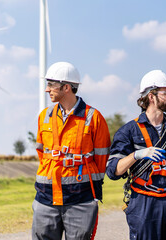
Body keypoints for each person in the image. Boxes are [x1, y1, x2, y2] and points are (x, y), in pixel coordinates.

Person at [106, 69, 166, 240]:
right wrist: (137, 155)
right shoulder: (128, 131)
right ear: (151, 96)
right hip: (144, 203)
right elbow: (113, 171)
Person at [32, 62, 111, 240]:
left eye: (51, 84)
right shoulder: (44, 116)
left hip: (81, 199)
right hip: (45, 198)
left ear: (66, 87)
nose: (47, 89)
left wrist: (92, 194)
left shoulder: (94, 118)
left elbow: (102, 159)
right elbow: (42, 154)